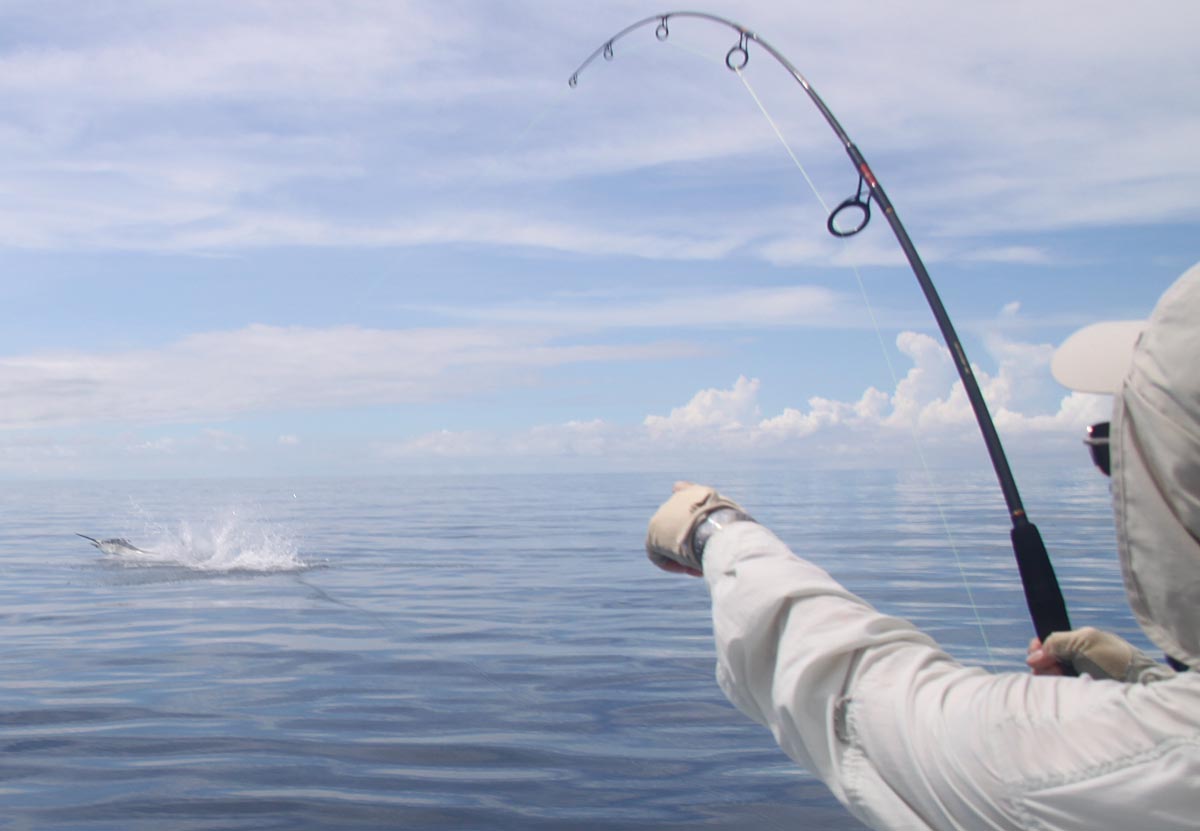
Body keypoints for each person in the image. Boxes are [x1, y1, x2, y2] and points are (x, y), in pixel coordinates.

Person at [645, 263, 1200, 830]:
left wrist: (713, 529)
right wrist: (1144, 680)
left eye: (1116, 452)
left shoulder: (1126, 766)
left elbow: (848, 698)